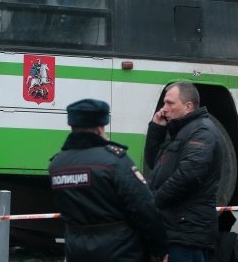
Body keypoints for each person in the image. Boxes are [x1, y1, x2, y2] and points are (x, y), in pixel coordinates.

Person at [49, 98, 169, 262]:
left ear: (72, 125)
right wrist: (160, 249)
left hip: (75, 250)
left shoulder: (57, 164)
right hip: (120, 250)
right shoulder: (115, 161)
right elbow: (144, 207)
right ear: (101, 126)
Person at [144, 81, 221, 262]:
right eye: (164, 103)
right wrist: (157, 129)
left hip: (186, 232)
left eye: (170, 103)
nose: (163, 109)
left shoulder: (202, 131)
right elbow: (156, 165)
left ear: (188, 106)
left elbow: (188, 175)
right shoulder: (181, 131)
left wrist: (152, 203)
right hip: (177, 229)